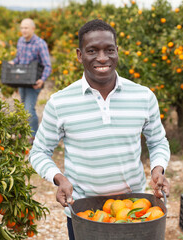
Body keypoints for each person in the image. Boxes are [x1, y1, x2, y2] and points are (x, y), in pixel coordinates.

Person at [29, 19, 170, 239]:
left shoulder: (143, 96)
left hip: (135, 209)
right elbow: (38, 152)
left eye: (109, 50)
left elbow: (157, 141)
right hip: (86, 213)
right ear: (79, 55)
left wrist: (158, 169)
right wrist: (59, 178)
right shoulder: (60, 102)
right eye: (92, 50)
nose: (102, 58)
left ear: (117, 52)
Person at [9, 18, 52, 143]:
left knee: (29, 109)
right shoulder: (20, 41)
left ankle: (34, 137)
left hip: (34, 83)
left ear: (33, 29)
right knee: (23, 109)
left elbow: (47, 65)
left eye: (26, 28)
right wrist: (13, 62)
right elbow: (19, 58)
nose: (23, 30)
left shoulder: (40, 44)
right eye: (22, 28)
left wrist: (42, 80)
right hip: (22, 81)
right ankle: (25, 132)